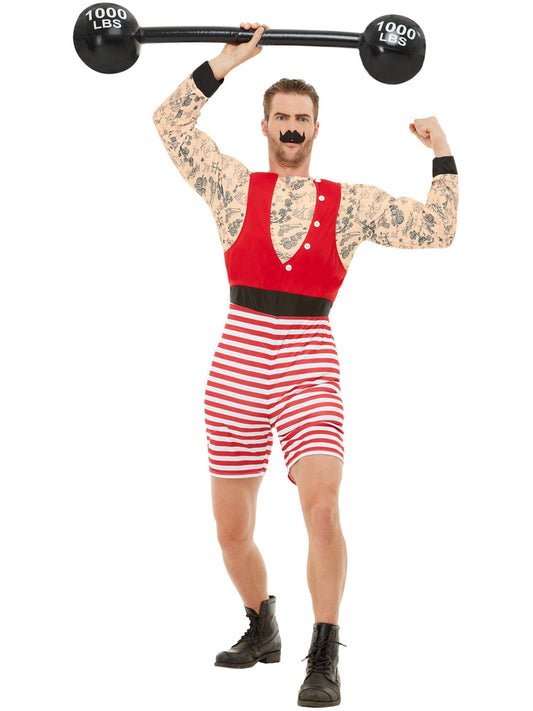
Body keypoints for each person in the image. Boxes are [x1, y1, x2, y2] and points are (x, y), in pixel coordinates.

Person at [152, 23, 458, 708]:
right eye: (282, 117)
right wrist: (224, 63)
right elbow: (168, 123)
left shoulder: (349, 204)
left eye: (302, 119)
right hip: (236, 363)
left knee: (321, 509)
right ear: (264, 125)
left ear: (317, 127)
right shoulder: (232, 185)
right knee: (232, 532)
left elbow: (438, 229)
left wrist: (442, 151)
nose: (291, 128)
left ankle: (323, 653)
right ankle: (262, 624)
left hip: (308, 363)